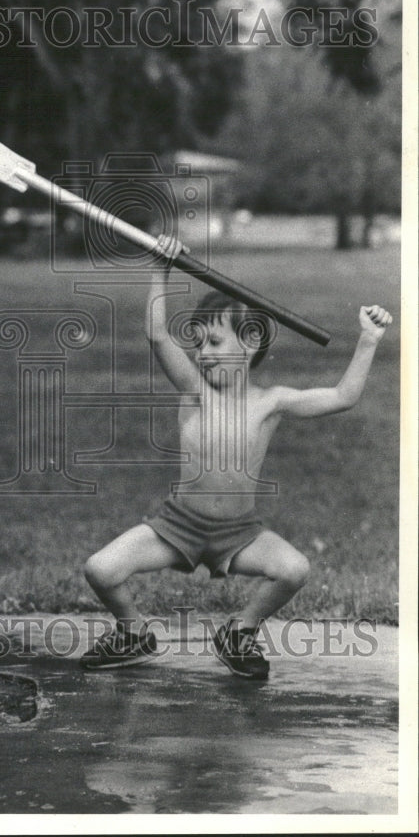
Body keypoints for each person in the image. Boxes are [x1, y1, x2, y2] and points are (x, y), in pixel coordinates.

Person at [81, 234, 392, 679]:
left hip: (237, 534)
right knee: (101, 569)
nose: (201, 354)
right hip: (177, 527)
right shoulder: (193, 389)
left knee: (294, 569)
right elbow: (155, 333)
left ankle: (239, 633)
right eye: (199, 343)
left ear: (248, 347)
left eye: (214, 343)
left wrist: (368, 340)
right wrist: (160, 268)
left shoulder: (272, 402)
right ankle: (132, 633)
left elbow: (343, 397)